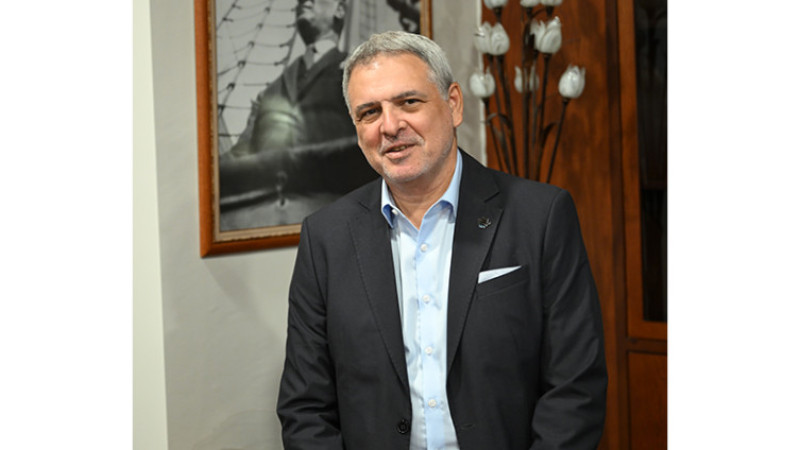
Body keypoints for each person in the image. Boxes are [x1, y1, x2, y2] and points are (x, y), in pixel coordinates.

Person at [277, 31, 607, 449]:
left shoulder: (539, 216)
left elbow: (575, 388)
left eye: (408, 102)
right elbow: (305, 407)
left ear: (453, 104)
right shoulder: (325, 237)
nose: (390, 126)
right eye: (369, 112)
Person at [218, 0, 376, 229]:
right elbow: (239, 155)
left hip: (338, 219)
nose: (304, 1)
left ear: (340, 10)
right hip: (267, 222)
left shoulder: (359, 75)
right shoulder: (269, 93)